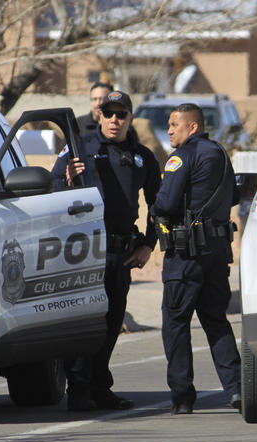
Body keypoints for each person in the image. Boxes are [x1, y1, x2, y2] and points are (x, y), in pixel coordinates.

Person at [52, 90, 161, 411]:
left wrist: (147, 244)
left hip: (120, 250)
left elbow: (159, 205)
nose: (114, 120)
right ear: (99, 115)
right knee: (85, 319)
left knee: (112, 321)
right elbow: (52, 192)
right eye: (109, 114)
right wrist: (67, 181)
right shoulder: (79, 148)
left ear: (130, 117)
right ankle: (79, 388)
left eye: (121, 114)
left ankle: (100, 387)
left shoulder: (142, 156)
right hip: (84, 249)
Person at [150, 103, 242, 415]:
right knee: (216, 321)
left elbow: (166, 202)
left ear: (192, 127)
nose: (170, 130)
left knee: (175, 323)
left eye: (174, 124)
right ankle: (237, 389)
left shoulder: (182, 157)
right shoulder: (221, 154)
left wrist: (154, 211)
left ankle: (182, 396)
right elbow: (234, 197)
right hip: (216, 253)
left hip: (186, 255)